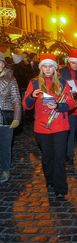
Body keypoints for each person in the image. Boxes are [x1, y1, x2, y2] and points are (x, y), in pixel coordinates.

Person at [22, 54, 75, 198]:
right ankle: (50, 180)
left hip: (60, 126)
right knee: (47, 157)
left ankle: (60, 189)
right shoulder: (34, 83)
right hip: (41, 127)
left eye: (50, 66)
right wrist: (32, 96)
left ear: (55, 68)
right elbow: (26, 106)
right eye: (44, 66)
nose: (47, 69)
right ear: (40, 68)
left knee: (59, 157)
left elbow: (71, 103)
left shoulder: (63, 82)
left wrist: (58, 105)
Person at [0, 53, 21, 184]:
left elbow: (16, 99)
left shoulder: (11, 79)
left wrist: (17, 117)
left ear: (3, 64)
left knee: (5, 146)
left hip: (5, 118)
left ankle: (5, 170)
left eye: (0, 62)